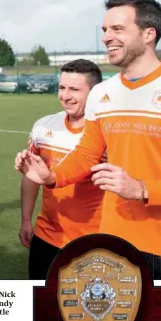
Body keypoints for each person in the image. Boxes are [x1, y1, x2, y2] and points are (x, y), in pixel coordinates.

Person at [16, 0, 161, 279]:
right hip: (113, 243)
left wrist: (143, 189)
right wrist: (51, 177)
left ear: (148, 34)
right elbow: (86, 154)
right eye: (105, 30)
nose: (107, 37)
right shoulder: (101, 93)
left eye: (117, 29)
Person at [19, 60, 104, 280]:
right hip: (46, 235)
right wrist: (26, 219)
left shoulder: (108, 134)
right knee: (40, 305)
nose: (65, 96)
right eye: (62, 87)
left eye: (74, 89)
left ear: (94, 93)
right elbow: (31, 178)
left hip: (94, 240)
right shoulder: (43, 126)